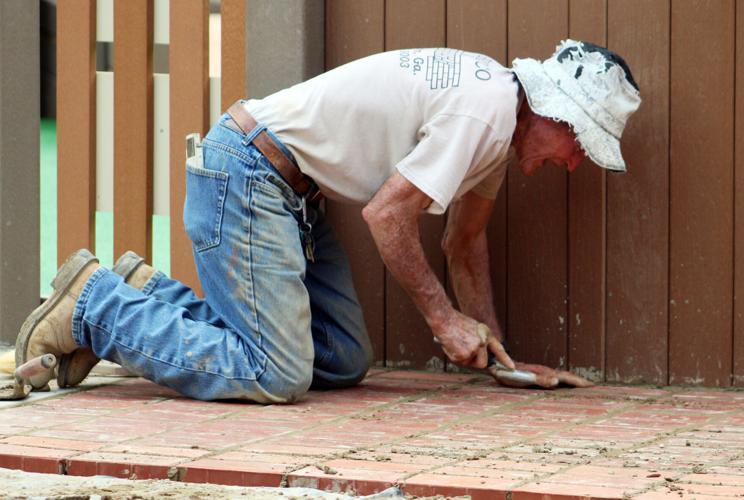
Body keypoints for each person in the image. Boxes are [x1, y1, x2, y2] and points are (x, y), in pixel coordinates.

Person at [16, 40, 640, 403]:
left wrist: (505, 360)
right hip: (246, 174)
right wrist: (444, 321)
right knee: (278, 374)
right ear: (555, 113)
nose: (576, 163)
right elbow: (388, 215)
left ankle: (145, 293)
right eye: (581, 143)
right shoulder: (483, 116)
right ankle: (95, 307)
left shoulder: (499, 129)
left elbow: (465, 242)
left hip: (292, 195)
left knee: (340, 359)